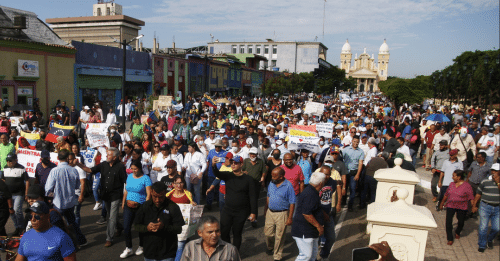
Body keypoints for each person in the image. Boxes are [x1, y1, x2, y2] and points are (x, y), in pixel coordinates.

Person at [76, 147, 127, 247]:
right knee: (112, 215)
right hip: (105, 195)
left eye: (109, 154)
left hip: (116, 196)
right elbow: (89, 170)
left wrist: (125, 199)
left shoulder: (120, 167)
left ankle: (109, 238)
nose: (107, 156)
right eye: (107, 154)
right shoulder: (103, 164)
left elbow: (126, 182)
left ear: (115, 157)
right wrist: (78, 164)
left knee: (111, 218)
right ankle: (120, 227)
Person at [212, 155, 257, 250]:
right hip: (227, 209)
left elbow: (253, 196)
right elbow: (217, 173)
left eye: (236, 163)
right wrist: (213, 165)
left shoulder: (248, 179)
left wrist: (253, 212)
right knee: (224, 232)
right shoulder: (228, 175)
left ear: (241, 164)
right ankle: (227, 251)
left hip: (241, 211)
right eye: (232, 162)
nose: (233, 164)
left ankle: (235, 253)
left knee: (237, 233)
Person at [45, 150, 87, 247]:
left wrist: (50, 198)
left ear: (58, 158)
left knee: (55, 225)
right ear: (68, 158)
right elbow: (77, 186)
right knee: (72, 223)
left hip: (58, 203)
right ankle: (81, 241)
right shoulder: (74, 170)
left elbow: (48, 189)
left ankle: (58, 244)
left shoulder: (54, 171)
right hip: (70, 202)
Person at [134, 181, 185, 261]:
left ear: (165, 193)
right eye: (155, 197)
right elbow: (136, 226)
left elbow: (179, 229)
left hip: (167, 253)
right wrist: (147, 228)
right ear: (151, 193)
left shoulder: (173, 207)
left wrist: (164, 227)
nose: (157, 200)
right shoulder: (145, 206)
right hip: (149, 253)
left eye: (161, 197)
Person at [120, 160, 152, 258]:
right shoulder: (129, 176)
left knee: (139, 228)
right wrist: (123, 202)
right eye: (132, 169)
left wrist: (146, 206)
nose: (133, 170)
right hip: (128, 206)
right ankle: (128, 248)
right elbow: (126, 190)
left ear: (140, 168)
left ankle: (141, 246)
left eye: (135, 169)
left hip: (140, 207)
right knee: (126, 227)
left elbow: (149, 194)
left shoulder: (146, 178)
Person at [291, 171, 326, 261]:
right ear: (321, 183)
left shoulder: (311, 191)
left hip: (310, 231)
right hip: (304, 231)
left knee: (313, 255)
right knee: (306, 255)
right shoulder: (310, 194)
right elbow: (306, 213)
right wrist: (318, 226)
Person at [264, 166, 296, 261]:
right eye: (271, 175)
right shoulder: (271, 183)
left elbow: (292, 202)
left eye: (274, 176)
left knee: (280, 235)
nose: (272, 177)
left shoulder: (288, 186)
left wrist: (290, 217)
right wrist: (266, 209)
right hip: (270, 212)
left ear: (281, 176)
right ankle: (270, 247)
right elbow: (268, 196)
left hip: (282, 214)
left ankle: (277, 256)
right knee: (268, 234)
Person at [439, 170, 474, 245]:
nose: (452, 177)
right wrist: (442, 203)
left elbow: (471, 197)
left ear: (459, 177)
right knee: (448, 221)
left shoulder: (467, 186)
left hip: (462, 206)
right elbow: (446, 194)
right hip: (450, 205)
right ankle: (450, 238)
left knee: (461, 222)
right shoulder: (451, 184)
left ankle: (457, 231)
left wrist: (473, 206)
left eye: (454, 176)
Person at [166, 175, 196, 261]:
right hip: (171, 226)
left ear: (184, 183)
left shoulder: (188, 194)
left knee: (180, 246)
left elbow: (191, 207)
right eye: (177, 183)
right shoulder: (168, 195)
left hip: (183, 226)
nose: (179, 185)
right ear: (173, 184)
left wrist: (193, 204)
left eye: (181, 183)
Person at [471, 163, 500, 253]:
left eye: (496, 171)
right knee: (483, 227)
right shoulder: (485, 181)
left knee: (497, 228)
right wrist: (474, 205)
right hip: (485, 207)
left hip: (497, 208)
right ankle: (482, 244)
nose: (493, 172)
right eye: (492, 170)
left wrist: (498, 182)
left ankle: (490, 239)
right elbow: (478, 194)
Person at [317, 166, 342, 261]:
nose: (325, 176)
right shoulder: (316, 182)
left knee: (331, 237)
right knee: (316, 239)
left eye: (327, 174)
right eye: (323, 174)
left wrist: (338, 203)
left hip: (328, 214)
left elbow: (337, 188)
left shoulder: (332, 182)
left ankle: (324, 255)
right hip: (317, 215)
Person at [2, 153, 29, 237]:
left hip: (19, 194)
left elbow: (27, 181)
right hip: (8, 195)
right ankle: (17, 227)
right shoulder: (5, 168)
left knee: (17, 210)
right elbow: (3, 180)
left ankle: (21, 227)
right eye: (7, 161)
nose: (8, 162)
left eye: (10, 161)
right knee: (11, 211)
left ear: (15, 160)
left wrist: (26, 193)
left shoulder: (21, 168)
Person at [241, 147, 266, 227]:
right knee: (246, 202)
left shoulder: (260, 162)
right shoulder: (245, 161)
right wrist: (243, 172)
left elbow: (264, 171)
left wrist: (263, 177)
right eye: (251, 154)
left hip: (256, 185)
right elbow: (241, 170)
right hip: (246, 185)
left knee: (254, 202)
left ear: (256, 154)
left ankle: (254, 220)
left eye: (253, 154)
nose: (252, 155)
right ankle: (247, 217)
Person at [342, 135, 364, 211]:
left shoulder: (361, 151)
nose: (355, 143)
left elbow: (360, 163)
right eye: (354, 141)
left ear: (359, 142)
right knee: (344, 187)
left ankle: (350, 206)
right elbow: (341, 159)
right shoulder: (346, 150)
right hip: (345, 172)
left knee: (353, 190)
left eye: (357, 142)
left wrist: (358, 174)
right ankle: (343, 202)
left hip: (353, 173)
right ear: (352, 141)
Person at [205, 139, 227, 211]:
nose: (217, 148)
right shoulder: (211, 152)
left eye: (219, 146)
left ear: (221, 147)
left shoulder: (224, 153)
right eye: (216, 146)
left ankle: (219, 202)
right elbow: (208, 162)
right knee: (210, 189)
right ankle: (209, 204)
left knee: (218, 189)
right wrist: (206, 170)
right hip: (211, 173)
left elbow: (226, 162)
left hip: (220, 174)